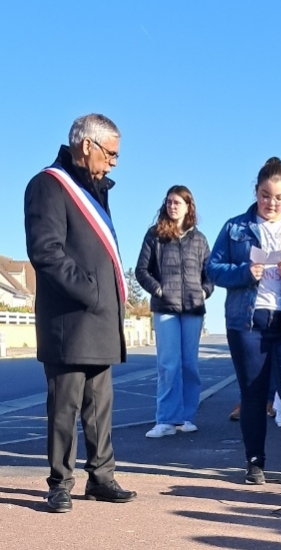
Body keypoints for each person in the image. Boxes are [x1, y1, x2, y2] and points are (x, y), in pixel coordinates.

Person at [24, 114, 136, 513]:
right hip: (68, 319)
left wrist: (107, 298)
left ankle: (101, 478)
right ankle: (60, 482)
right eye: (111, 154)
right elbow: (46, 252)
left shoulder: (95, 189)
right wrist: (91, 291)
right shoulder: (48, 185)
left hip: (100, 318)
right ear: (87, 145)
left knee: (99, 406)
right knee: (64, 408)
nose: (114, 163)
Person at [206, 157, 281, 489]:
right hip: (248, 322)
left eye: (279, 197)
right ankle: (254, 462)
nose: (271, 203)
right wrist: (245, 272)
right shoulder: (234, 228)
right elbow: (213, 269)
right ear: (255, 191)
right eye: (265, 195)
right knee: (253, 394)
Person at [135, 186, 213, 438]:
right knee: (169, 364)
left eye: (177, 202)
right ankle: (166, 420)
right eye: (169, 202)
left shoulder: (199, 239)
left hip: (193, 309)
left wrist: (204, 292)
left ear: (188, 206)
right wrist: (158, 290)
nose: (172, 206)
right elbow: (141, 270)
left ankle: (186, 417)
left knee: (189, 365)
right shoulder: (155, 235)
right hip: (165, 308)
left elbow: (210, 273)